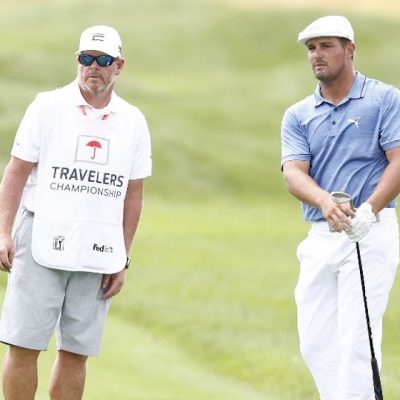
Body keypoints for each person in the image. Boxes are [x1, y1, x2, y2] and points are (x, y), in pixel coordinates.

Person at [0, 25, 152, 400]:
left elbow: (133, 193)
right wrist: (3, 231)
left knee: (77, 351)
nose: (93, 67)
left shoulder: (133, 120)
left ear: (119, 65)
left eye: (102, 60)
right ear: (77, 61)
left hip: (98, 246)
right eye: (86, 59)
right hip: (39, 235)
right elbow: (16, 171)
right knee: (24, 343)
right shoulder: (47, 106)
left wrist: (122, 255)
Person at [281, 15, 400, 399]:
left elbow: (398, 160)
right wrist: (325, 202)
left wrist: (369, 210)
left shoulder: (384, 99)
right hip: (321, 233)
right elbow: (294, 174)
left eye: (326, 45)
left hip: (370, 232)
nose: (317, 55)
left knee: (356, 343)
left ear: (350, 49)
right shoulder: (299, 114)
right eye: (311, 48)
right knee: (315, 343)